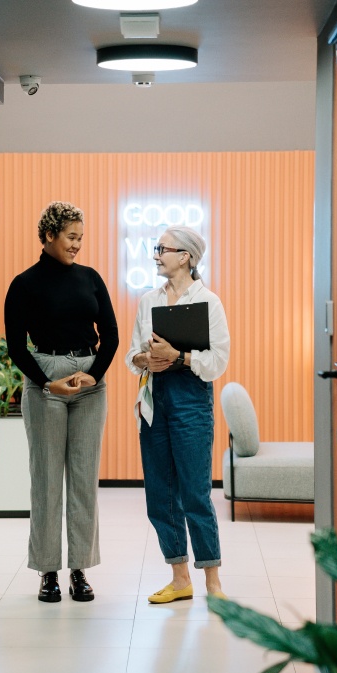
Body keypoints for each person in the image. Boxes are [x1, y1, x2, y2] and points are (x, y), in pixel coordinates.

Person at [4, 201, 118, 603]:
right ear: (49, 235)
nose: (77, 246)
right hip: (45, 379)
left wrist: (94, 375)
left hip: (90, 382)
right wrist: (47, 384)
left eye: (81, 239)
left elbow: (112, 335)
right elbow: (16, 347)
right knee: (47, 481)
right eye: (71, 237)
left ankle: (80, 570)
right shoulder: (24, 284)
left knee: (84, 480)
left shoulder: (91, 278)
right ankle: (48, 572)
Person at [125, 225, 230, 604]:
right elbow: (131, 354)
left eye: (162, 249)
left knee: (195, 493)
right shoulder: (148, 301)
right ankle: (180, 577)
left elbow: (218, 360)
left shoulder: (209, 302)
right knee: (160, 494)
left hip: (191, 399)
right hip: (155, 398)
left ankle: (213, 583)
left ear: (185, 256)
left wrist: (179, 357)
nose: (156, 255)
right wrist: (143, 358)